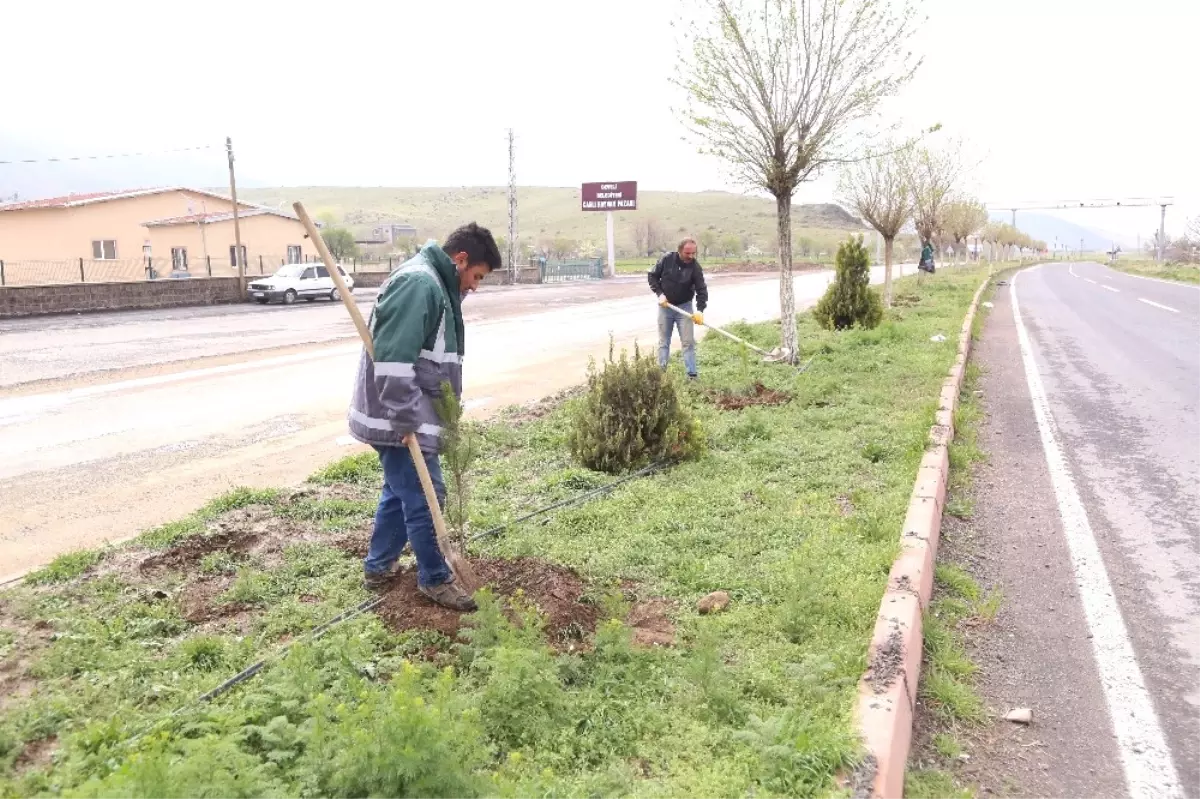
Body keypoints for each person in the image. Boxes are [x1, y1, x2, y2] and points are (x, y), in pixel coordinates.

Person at [349, 222, 501, 611]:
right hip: (400, 419)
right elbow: (395, 360)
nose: (475, 286)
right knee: (425, 496)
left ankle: (378, 566)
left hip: (408, 416)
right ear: (460, 259)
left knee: (400, 493)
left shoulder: (437, 285)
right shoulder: (421, 284)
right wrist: (404, 419)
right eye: (476, 276)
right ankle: (435, 577)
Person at [648, 237, 708, 379]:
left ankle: (692, 375)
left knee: (688, 342)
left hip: (684, 308)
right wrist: (660, 294)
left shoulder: (695, 267)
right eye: (688, 253)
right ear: (680, 251)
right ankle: (661, 375)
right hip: (666, 306)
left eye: (694, 253)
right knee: (664, 342)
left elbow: (702, 290)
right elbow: (652, 276)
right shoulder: (667, 259)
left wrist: (700, 310)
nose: (691, 256)